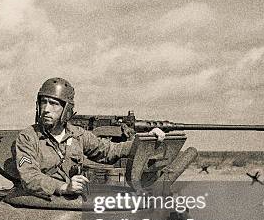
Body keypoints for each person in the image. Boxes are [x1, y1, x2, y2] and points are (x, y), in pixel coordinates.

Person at [14, 78, 165, 198]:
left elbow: (109, 151)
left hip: (73, 203)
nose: (46, 109)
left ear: (66, 110)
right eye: (43, 103)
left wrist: (145, 140)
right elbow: (30, 177)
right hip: (44, 202)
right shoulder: (28, 137)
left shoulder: (78, 135)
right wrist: (64, 187)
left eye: (53, 104)